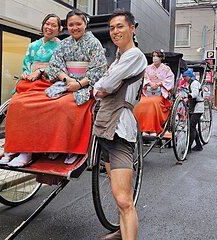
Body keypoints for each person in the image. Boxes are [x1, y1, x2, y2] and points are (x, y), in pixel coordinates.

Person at [0, 10, 107, 167]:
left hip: (85, 84)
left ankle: (70, 148)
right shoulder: (64, 44)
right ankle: (37, 147)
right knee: (44, 104)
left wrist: (79, 83)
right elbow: (55, 65)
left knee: (64, 105)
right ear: (67, 27)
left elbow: (99, 68)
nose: (75, 27)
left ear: (85, 24)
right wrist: (67, 79)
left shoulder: (93, 43)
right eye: (71, 24)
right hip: (64, 82)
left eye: (78, 24)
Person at [93, 9, 147, 240]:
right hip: (106, 126)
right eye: (112, 28)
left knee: (125, 200)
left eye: (120, 26)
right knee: (117, 194)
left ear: (132, 28)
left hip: (120, 130)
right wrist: (101, 88)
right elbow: (102, 87)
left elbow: (106, 84)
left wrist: (101, 88)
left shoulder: (134, 55)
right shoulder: (118, 57)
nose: (115, 31)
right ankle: (120, 231)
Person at [0, 14, 62, 166]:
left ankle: (27, 151)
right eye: (47, 24)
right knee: (15, 104)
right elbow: (27, 63)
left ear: (59, 29)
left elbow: (58, 69)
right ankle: (12, 147)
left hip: (48, 82)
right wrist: (26, 73)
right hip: (31, 81)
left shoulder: (61, 47)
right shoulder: (33, 45)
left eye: (54, 25)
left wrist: (40, 72)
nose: (50, 28)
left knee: (31, 107)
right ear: (42, 25)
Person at [133, 50, 174, 135]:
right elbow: (144, 78)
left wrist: (159, 84)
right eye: (153, 56)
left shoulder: (166, 69)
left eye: (157, 56)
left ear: (161, 58)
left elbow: (170, 80)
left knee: (153, 103)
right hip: (147, 92)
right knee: (139, 103)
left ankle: (151, 129)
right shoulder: (147, 68)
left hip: (160, 93)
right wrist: (150, 83)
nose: (155, 58)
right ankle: (139, 128)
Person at [183, 68, 204, 152]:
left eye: (185, 76)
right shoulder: (190, 83)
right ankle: (198, 145)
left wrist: (187, 95)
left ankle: (188, 147)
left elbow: (194, 94)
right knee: (192, 127)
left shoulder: (194, 83)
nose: (184, 78)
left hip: (198, 108)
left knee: (191, 126)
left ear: (189, 76)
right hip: (193, 107)